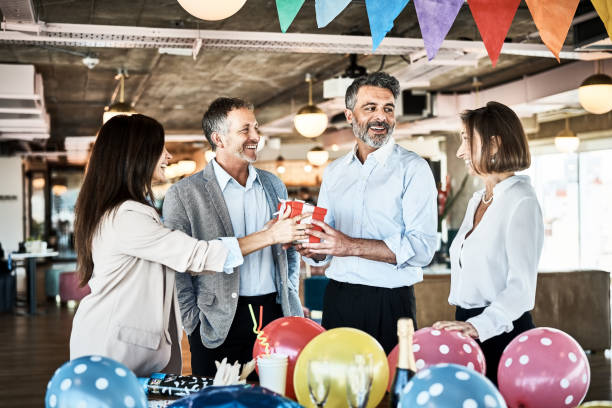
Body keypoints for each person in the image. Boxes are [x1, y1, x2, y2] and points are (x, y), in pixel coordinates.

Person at [69, 114, 306, 377]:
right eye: (161, 148)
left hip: (120, 344)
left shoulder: (122, 211)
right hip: (112, 347)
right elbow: (196, 256)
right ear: (136, 155)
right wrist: (269, 236)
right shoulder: (128, 216)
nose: (168, 156)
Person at [162, 97, 306, 377]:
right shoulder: (184, 194)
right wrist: (192, 321)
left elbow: (287, 250)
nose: (255, 137)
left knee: (272, 397)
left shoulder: (273, 184)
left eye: (256, 128)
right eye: (245, 130)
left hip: (275, 313)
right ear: (219, 138)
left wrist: (288, 290)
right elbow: (177, 266)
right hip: (217, 320)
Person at [296, 72, 438, 354]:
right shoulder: (335, 171)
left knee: (389, 391)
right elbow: (325, 244)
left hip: (391, 302)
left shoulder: (413, 169)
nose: (381, 117)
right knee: (338, 389)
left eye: (388, 108)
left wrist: (348, 246)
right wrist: (309, 246)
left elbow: (422, 249)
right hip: (338, 296)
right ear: (350, 116)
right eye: (370, 108)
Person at [433, 101, 544, 385]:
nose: (460, 151)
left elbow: (521, 290)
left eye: (467, 141)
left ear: (494, 144)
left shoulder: (522, 201)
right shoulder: (477, 200)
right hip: (468, 326)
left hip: (500, 331)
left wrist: (477, 325)